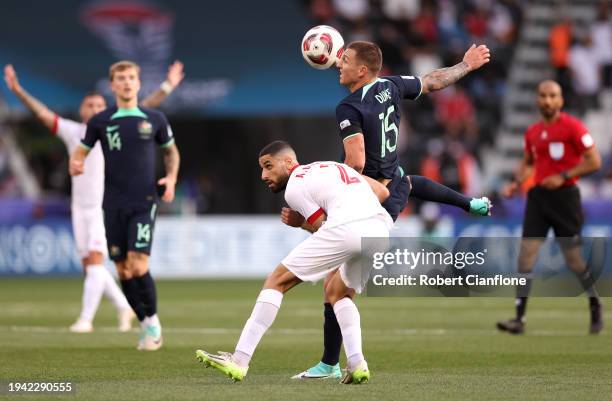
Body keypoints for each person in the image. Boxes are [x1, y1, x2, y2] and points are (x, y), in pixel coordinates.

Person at [292, 40, 493, 380]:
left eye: (346, 60)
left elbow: (354, 162)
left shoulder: (348, 107)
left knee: (337, 288)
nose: (339, 63)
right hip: (394, 180)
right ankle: (332, 363)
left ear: (363, 70)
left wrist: (325, 181)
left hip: (369, 197)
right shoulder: (392, 85)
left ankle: (338, 363)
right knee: (338, 285)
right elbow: (431, 81)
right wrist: (465, 66)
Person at [3, 61, 184, 333]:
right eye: (91, 106)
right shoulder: (78, 131)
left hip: (113, 204)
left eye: (100, 106)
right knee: (101, 266)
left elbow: (147, 104)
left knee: (107, 264)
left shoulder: (126, 121)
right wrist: (17, 91)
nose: (97, 110)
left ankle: (88, 319)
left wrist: (169, 85)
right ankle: (125, 306)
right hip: (83, 208)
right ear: (82, 110)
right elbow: (41, 113)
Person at [195, 140, 392, 383]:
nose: (263, 175)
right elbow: (383, 193)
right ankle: (357, 363)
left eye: (268, 166)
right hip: (380, 230)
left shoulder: (295, 185)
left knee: (276, 281)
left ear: (289, 162)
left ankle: (240, 360)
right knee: (338, 293)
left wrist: (301, 223)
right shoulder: (329, 166)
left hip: (347, 228)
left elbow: (321, 227)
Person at [69, 60, 181, 350]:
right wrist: (76, 163)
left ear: (138, 82)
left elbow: (171, 152)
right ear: (113, 85)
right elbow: (80, 152)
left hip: (144, 202)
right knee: (122, 271)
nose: (127, 82)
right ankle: (144, 323)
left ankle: (153, 322)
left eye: (131, 77)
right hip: (112, 204)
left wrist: (170, 179)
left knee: (138, 264)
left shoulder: (154, 118)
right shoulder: (100, 121)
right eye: (121, 78)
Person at [497, 80, 603, 335]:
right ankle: (519, 319)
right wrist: (516, 183)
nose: (547, 100)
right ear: (537, 99)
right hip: (538, 199)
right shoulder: (532, 132)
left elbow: (594, 161)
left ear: (561, 99)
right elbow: (529, 163)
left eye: (552, 95)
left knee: (574, 260)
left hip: (565, 198)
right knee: (526, 257)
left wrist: (564, 176)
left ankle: (595, 304)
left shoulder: (573, 128)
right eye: (543, 95)